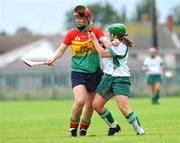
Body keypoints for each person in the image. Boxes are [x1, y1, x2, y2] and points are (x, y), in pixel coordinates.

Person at [45, 5, 111, 137]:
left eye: (81, 17)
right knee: (80, 100)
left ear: (88, 18)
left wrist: (113, 44)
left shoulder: (95, 31)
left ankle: (83, 131)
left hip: (94, 73)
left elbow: (106, 43)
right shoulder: (71, 34)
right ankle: (72, 130)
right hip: (78, 73)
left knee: (90, 105)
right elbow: (61, 50)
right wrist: (53, 58)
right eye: (76, 17)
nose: (78, 20)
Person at [90, 23, 145, 136]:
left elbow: (103, 53)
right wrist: (105, 41)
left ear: (115, 35)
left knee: (124, 108)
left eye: (111, 33)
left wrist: (94, 40)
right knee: (96, 105)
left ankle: (139, 130)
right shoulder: (113, 43)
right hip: (107, 78)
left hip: (120, 79)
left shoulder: (122, 45)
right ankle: (113, 126)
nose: (108, 35)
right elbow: (105, 44)